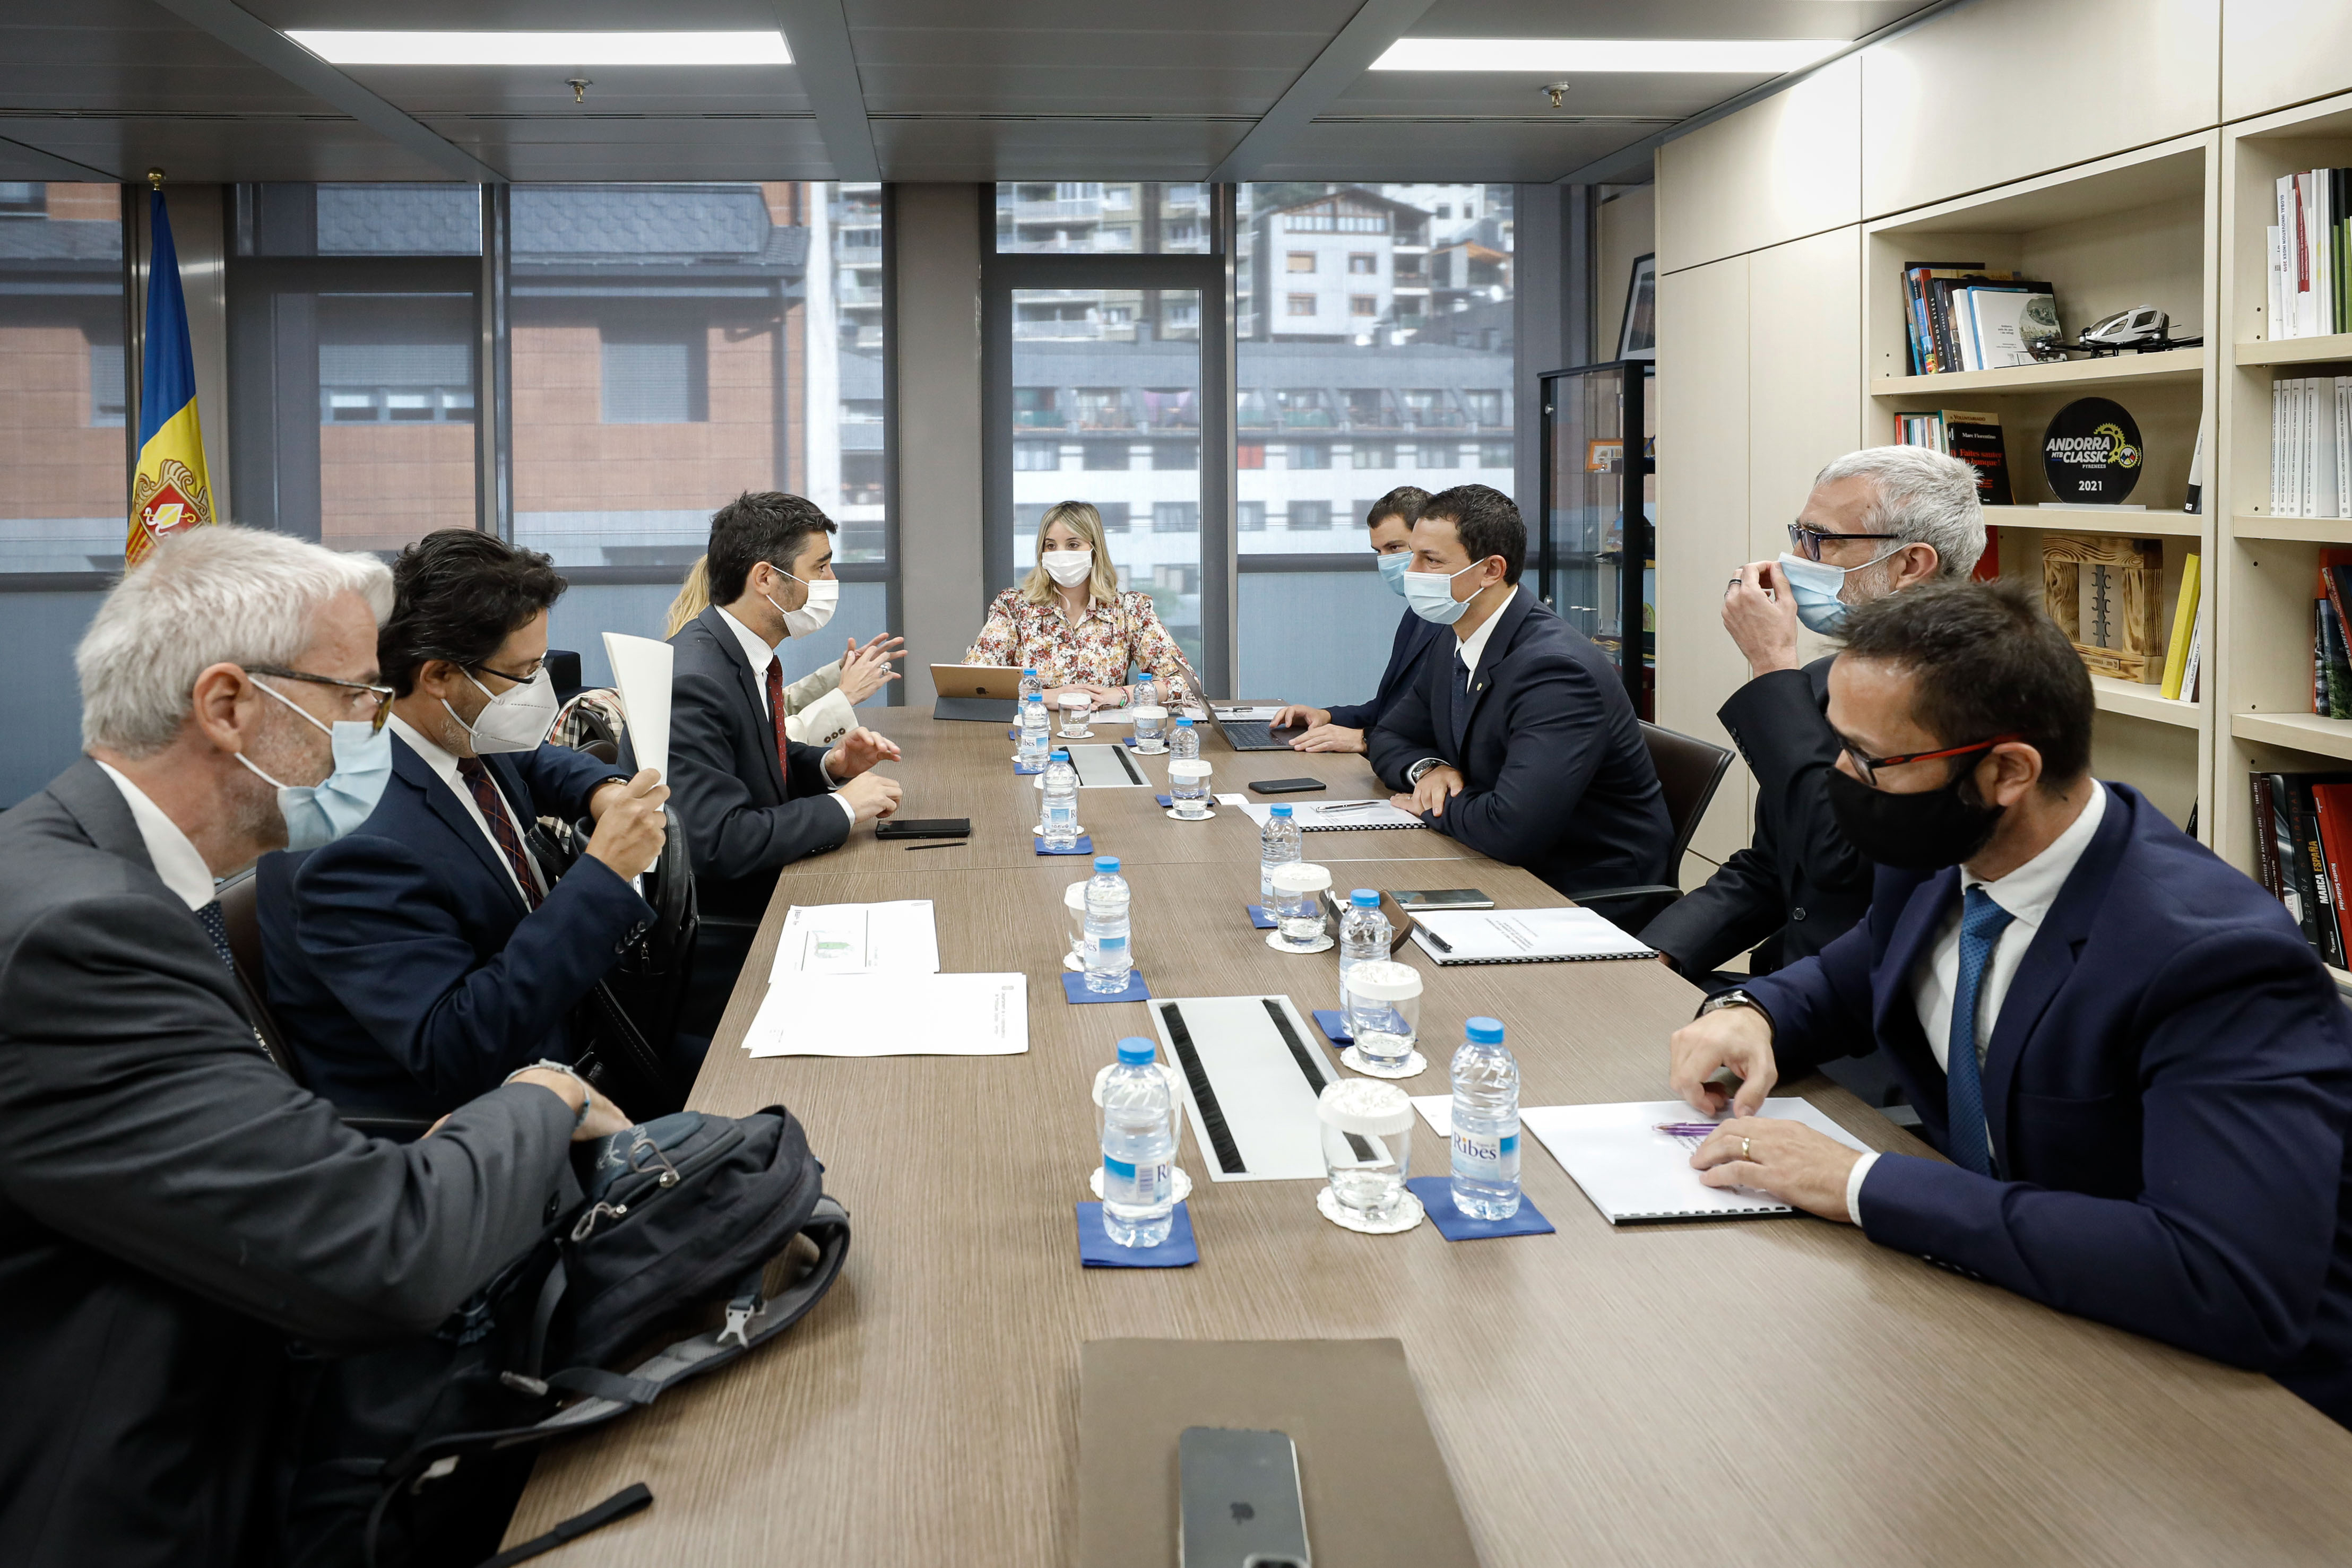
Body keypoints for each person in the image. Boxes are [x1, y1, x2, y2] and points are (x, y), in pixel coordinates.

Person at [0, 526, 630, 1567]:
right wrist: (538, 1096)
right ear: (228, 706)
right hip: (151, 1485)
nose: (375, 730)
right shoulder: (82, 935)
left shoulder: (89, 864)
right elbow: (386, 1253)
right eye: (354, 699)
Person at [1665, 580, 2352, 1430]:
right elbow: (1854, 972)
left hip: (2235, 1402)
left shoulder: (2216, 960)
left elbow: (2225, 1277)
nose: (1841, 778)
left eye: (1868, 759)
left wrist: (1862, 1180)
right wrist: (1751, 1010)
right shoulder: (1940, 845)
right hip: (2005, 1309)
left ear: (2006, 771)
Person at [260, 530, 677, 1122]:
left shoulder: (449, 730)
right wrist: (604, 873)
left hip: (568, 1044)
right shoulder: (349, 841)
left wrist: (598, 790)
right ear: (438, 676)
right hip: (473, 1127)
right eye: (524, 672)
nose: (539, 692)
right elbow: (455, 1045)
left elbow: (531, 759)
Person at [1644, 446, 1984, 982]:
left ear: (1910, 566)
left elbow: (1836, 863)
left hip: (1869, 1013)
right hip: (1787, 984)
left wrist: (1770, 662)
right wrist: (1653, 955)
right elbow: (1772, 863)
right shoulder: (1829, 676)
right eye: (1798, 535)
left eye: (1821, 540)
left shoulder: (1963, 695)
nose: (1795, 559)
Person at [1367, 483, 1673, 897]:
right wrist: (1428, 771)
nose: (1410, 573)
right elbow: (1389, 734)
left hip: (1576, 889)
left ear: (1492, 569)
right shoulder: (1454, 636)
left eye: (1430, 560)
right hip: (1490, 859)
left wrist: (1430, 802)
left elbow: (1512, 828)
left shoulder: (1556, 671)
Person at [669, 493, 904, 1029]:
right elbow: (717, 841)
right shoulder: (696, 676)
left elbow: (755, 760)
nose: (830, 581)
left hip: (769, 894)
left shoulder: (737, 652)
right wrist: (843, 808)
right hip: (734, 932)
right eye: (819, 567)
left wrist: (831, 767)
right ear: (766, 579)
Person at [964, 499, 1191, 706]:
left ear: (1095, 550)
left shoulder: (1130, 610)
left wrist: (1121, 694)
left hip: (1105, 737)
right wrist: (1044, 697)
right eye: (1051, 546)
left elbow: (1185, 684)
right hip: (1033, 735)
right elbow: (975, 683)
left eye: (1073, 545)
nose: (1060, 554)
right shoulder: (1014, 608)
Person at [667, 551, 904, 749]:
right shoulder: (699, 675)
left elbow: (774, 707)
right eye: (820, 568)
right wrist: (846, 696)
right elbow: (763, 744)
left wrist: (841, 672)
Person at [1268, 486, 1439, 753]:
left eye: (1394, 548)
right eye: (1378, 552)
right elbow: (1387, 709)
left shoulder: (1452, 618)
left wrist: (1364, 739)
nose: (1385, 562)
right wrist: (1326, 716)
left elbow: (1437, 729)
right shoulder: (1416, 615)